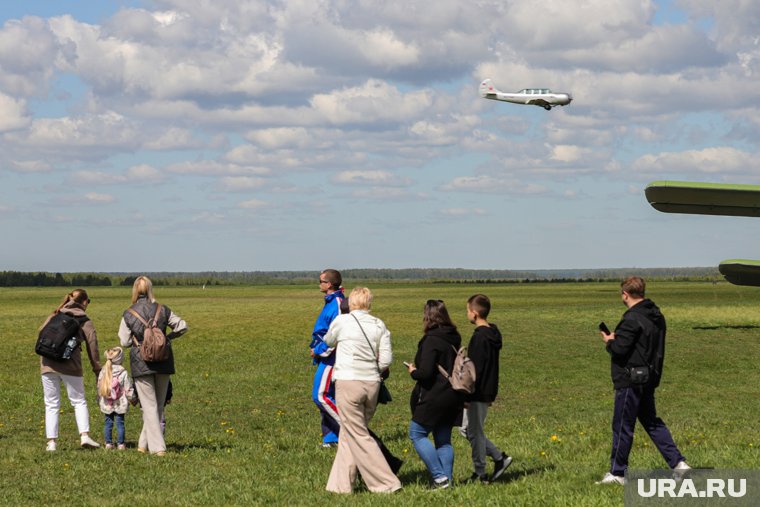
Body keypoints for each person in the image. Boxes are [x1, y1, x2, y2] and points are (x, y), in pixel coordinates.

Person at [597, 276, 690, 485]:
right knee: (652, 422)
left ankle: (618, 473)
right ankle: (679, 464)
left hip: (630, 380)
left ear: (625, 294)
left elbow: (621, 350)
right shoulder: (656, 315)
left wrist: (610, 341)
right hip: (649, 377)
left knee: (622, 425)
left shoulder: (631, 318)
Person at [323, 287, 402, 494]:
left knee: (358, 434)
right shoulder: (379, 324)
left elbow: (328, 341)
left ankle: (387, 483)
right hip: (372, 385)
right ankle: (340, 486)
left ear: (352, 303)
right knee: (351, 434)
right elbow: (386, 360)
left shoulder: (342, 321)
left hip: (348, 382)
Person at [118, 276, 187, 456]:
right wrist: (165, 339)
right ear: (150, 289)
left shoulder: (128, 313)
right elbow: (182, 326)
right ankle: (143, 445)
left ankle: (158, 448)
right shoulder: (162, 309)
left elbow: (124, 342)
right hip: (163, 360)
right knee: (157, 406)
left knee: (149, 406)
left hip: (141, 362)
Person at [406, 299, 465, 489]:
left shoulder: (432, 340)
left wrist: (413, 371)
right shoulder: (454, 336)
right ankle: (446, 481)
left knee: (416, 433)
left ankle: (439, 477)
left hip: (435, 395)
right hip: (453, 395)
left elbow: (426, 373)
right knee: (443, 440)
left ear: (427, 316)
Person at [40, 289, 102, 451]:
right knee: (78, 400)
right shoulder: (84, 320)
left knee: (51, 403)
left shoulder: (55, 314)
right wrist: (97, 370)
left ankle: (51, 442)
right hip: (70, 365)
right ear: (83, 302)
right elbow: (93, 346)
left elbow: (41, 332)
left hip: (47, 363)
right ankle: (84, 435)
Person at [463, 294, 512, 484]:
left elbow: (475, 370)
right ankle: (499, 457)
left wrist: (468, 394)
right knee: (468, 429)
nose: (466, 314)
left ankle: (480, 473)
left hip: (478, 392)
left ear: (474, 314)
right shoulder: (492, 333)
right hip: (488, 390)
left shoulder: (479, 337)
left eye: (467, 310)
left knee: (473, 431)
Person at [310, 269, 346, 447]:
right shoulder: (330, 302)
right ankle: (331, 438)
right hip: (326, 356)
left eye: (321, 281)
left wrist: (319, 350)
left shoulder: (338, 304)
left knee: (320, 395)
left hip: (333, 358)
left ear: (329, 284)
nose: (319, 284)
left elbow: (338, 333)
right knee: (329, 396)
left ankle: (350, 431)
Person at [97, 346, 135, 450]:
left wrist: (98, 399)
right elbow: (128, 389)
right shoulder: (123, 372)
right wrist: (133, 399)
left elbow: (99, 386)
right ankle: (121, 444)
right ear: (120, 359)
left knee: (108, 423)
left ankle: (108, 443)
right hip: (120, 403)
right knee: (120, 423)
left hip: (107, 403)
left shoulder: (103, 371)